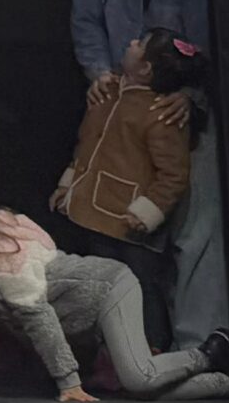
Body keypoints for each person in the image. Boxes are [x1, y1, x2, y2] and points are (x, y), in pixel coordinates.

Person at [69, 0, 228, 351]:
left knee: (194, 226)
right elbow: (87, 22)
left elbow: (209, 29)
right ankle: (129, 350)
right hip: (125, 105)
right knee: (124, 227)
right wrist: (99, 74)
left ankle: (196, 346)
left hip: (179, 101)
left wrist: (195, 93)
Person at [0, 174, 229, 400]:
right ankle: (224, 384)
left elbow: (42, 321)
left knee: (139, 378)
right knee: (136, 389)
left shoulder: (4, 260)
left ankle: (209, 353)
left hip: (110, 287)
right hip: (86, 308)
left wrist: (70, 383)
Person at [54, 28, 203, 304]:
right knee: (100, 290)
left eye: (139, 43)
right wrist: (69, 185)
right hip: (95, 216)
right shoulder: (108, 92)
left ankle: (149, 346)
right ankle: (107, 345)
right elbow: (87, 144)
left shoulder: (161, 112)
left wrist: (149, 211)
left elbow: (174, 173)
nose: (131, 42)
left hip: (127, 223)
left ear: (146, 68)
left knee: (139, 292)